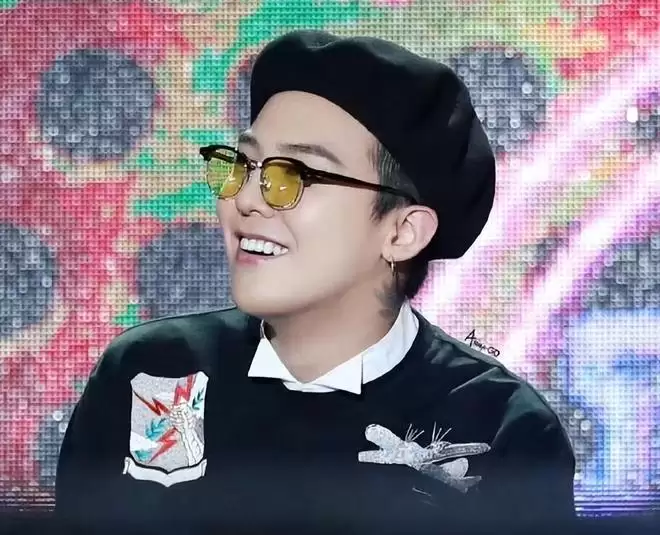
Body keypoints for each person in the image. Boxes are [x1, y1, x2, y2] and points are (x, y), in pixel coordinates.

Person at [55, 30, 575, 533]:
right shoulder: (152, 372)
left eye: (294, 176)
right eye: (243, 165)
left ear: (402, 232)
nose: (245, 199)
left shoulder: (501, 430)